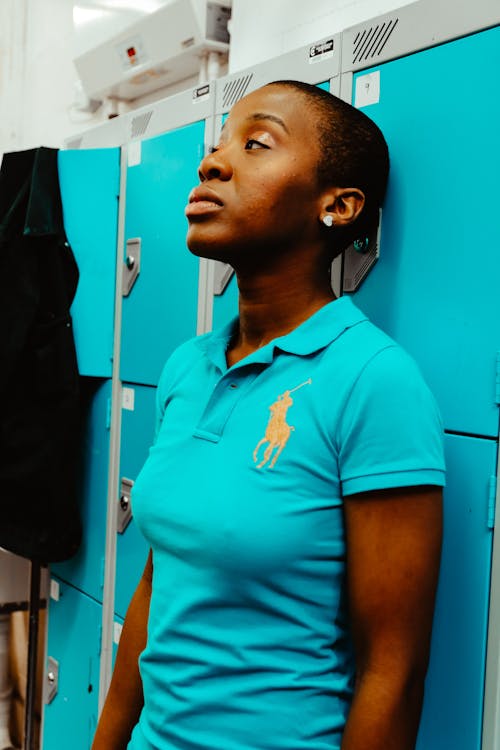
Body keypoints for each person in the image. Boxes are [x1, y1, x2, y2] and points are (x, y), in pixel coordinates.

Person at [92, 80, 445, 750]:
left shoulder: (374, 382)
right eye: (218, 142)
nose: (211, 162)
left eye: (255, 144)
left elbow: (393, 671)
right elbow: (157, 579)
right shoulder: (185, 367)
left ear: (337, 206)